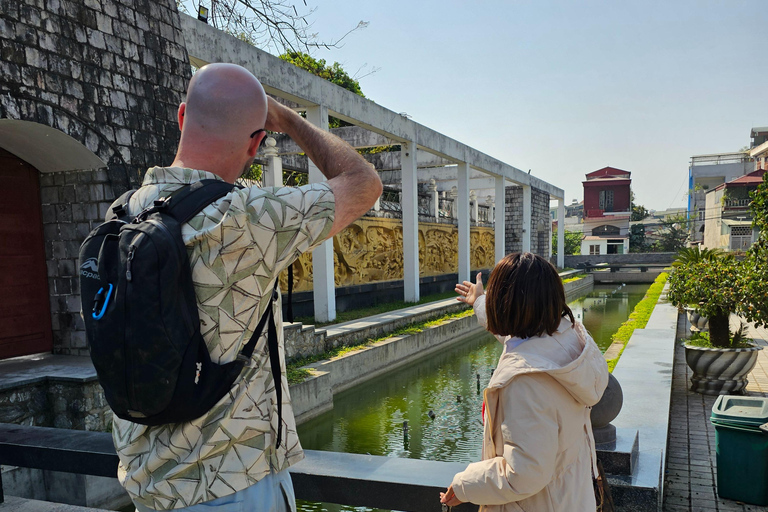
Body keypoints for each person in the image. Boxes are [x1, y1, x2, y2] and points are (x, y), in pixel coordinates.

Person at [112, 63, 382, 511]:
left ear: (182, 116)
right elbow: (363, 182)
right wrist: (288, 119)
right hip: (230, 484)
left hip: (148, 486)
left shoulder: (122, 215)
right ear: (256, 143)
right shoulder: (248, 219)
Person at [441, 253, 609, 511]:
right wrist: (479, 300)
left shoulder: (525, 382)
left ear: (505, 304)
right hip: (570, 497)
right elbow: (513, 336)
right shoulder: (567, 339)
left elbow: (524, 474)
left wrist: (465, 485)